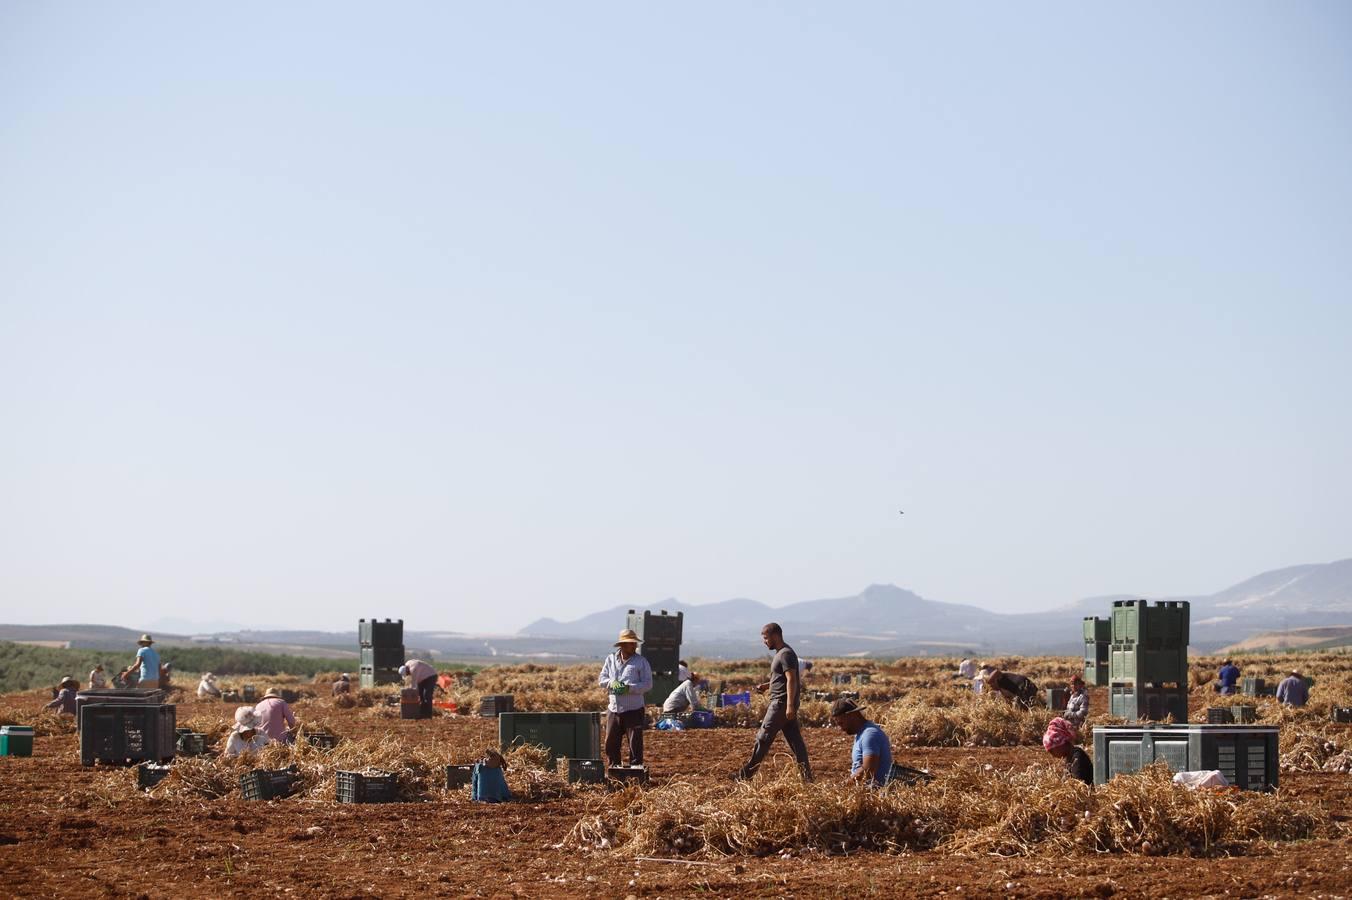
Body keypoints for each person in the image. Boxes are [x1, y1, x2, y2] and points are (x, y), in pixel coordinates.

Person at [735, 623, 812, 782]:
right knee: (795, 742)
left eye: (765, 638)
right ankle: (807, 778)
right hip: (783, 703)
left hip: (781, 704)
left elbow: (792, 680)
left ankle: (745, 775)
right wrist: (767, 685)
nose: (764, 641)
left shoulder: (785, 654)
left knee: (763, 737)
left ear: (775, 635)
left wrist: (790, 705)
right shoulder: (781, 653)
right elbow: (782, 679)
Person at [597, 628, 653, 768]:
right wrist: (611, 683)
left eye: (635, 643)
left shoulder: (641, 662)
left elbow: (648, 684)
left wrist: (629, 688)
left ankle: (636, 772)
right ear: (622, 645)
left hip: (633, 709)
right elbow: (601, 679)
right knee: (611, 744)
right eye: (631, 643)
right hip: (614, 710)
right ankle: (614, 771)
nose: (635, 646)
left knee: (635, 746)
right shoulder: (610, 660)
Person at [830, 697, 893, 787]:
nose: (841, 728)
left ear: (852, 715)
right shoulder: (862, 733)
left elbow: (868, 769)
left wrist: (842, 786)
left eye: (841, 723)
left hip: (873, 793)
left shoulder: (870, 735)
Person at [1043, 717, 1093, 786]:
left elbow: (1078, 785)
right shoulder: (1070, 757)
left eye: (1052, 751)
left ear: (1061, 744)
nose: (1052, 755)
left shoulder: (1077, 758)